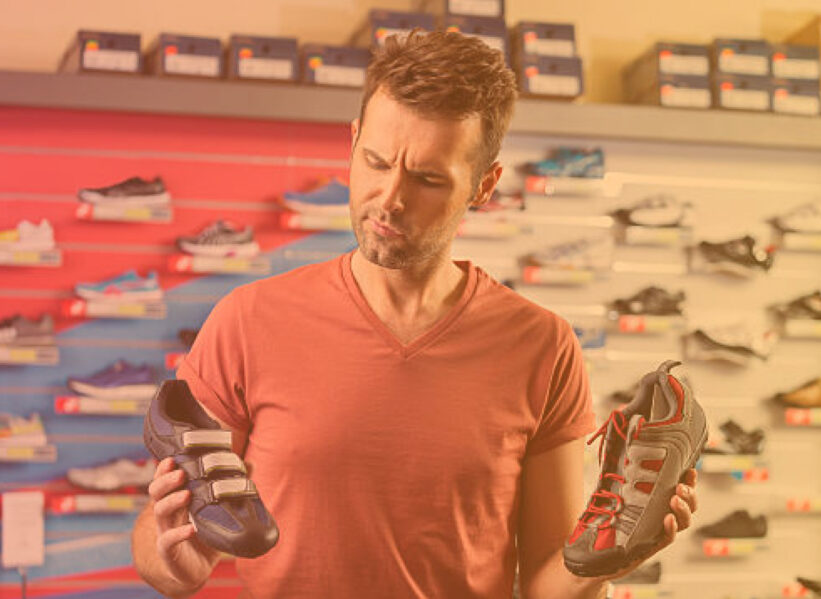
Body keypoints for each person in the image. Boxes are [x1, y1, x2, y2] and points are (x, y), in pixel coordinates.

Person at [131, 30, 699, 599]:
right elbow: (164, 550)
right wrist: (172, 560)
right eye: (376, 162)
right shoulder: (247, 321)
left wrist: (608, 559)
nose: (390, 198)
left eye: (428, 179)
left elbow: (551, 581)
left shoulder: (543, 346)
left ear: (485, 185)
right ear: (353, 143)